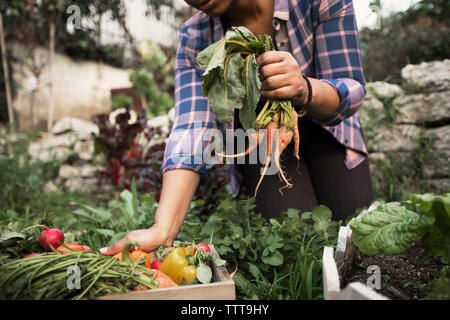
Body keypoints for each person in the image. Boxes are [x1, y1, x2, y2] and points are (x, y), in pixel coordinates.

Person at [100, 0, 374, 256]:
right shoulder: (195, 35)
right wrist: (163, 228)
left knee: (356, 237)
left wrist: (303, 88)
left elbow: (351, 87)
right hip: (259, 141)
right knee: (299, 245)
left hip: (330, 128)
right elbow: (192, 129)